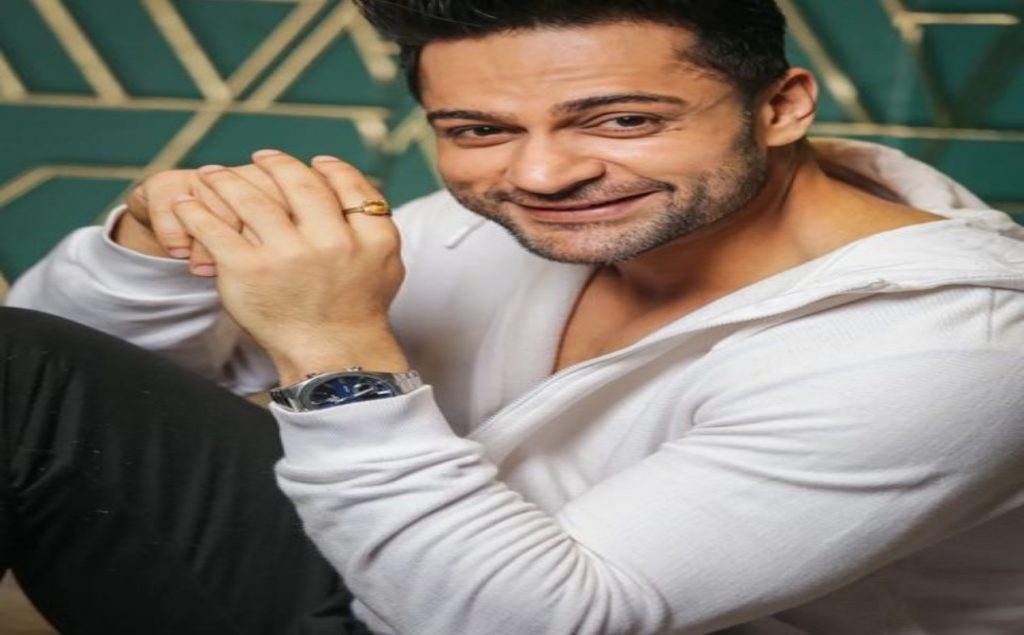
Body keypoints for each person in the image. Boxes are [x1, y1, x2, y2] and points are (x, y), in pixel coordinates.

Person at [5, 0, 1024, 633]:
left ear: (781, 106)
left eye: (621, 118)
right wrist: (152, 255)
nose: (541, 173)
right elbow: (71, 407)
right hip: (407, 576)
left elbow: (519, 621)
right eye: (477, 130)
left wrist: (334, 345)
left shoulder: (952, 347)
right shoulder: (531, 221)